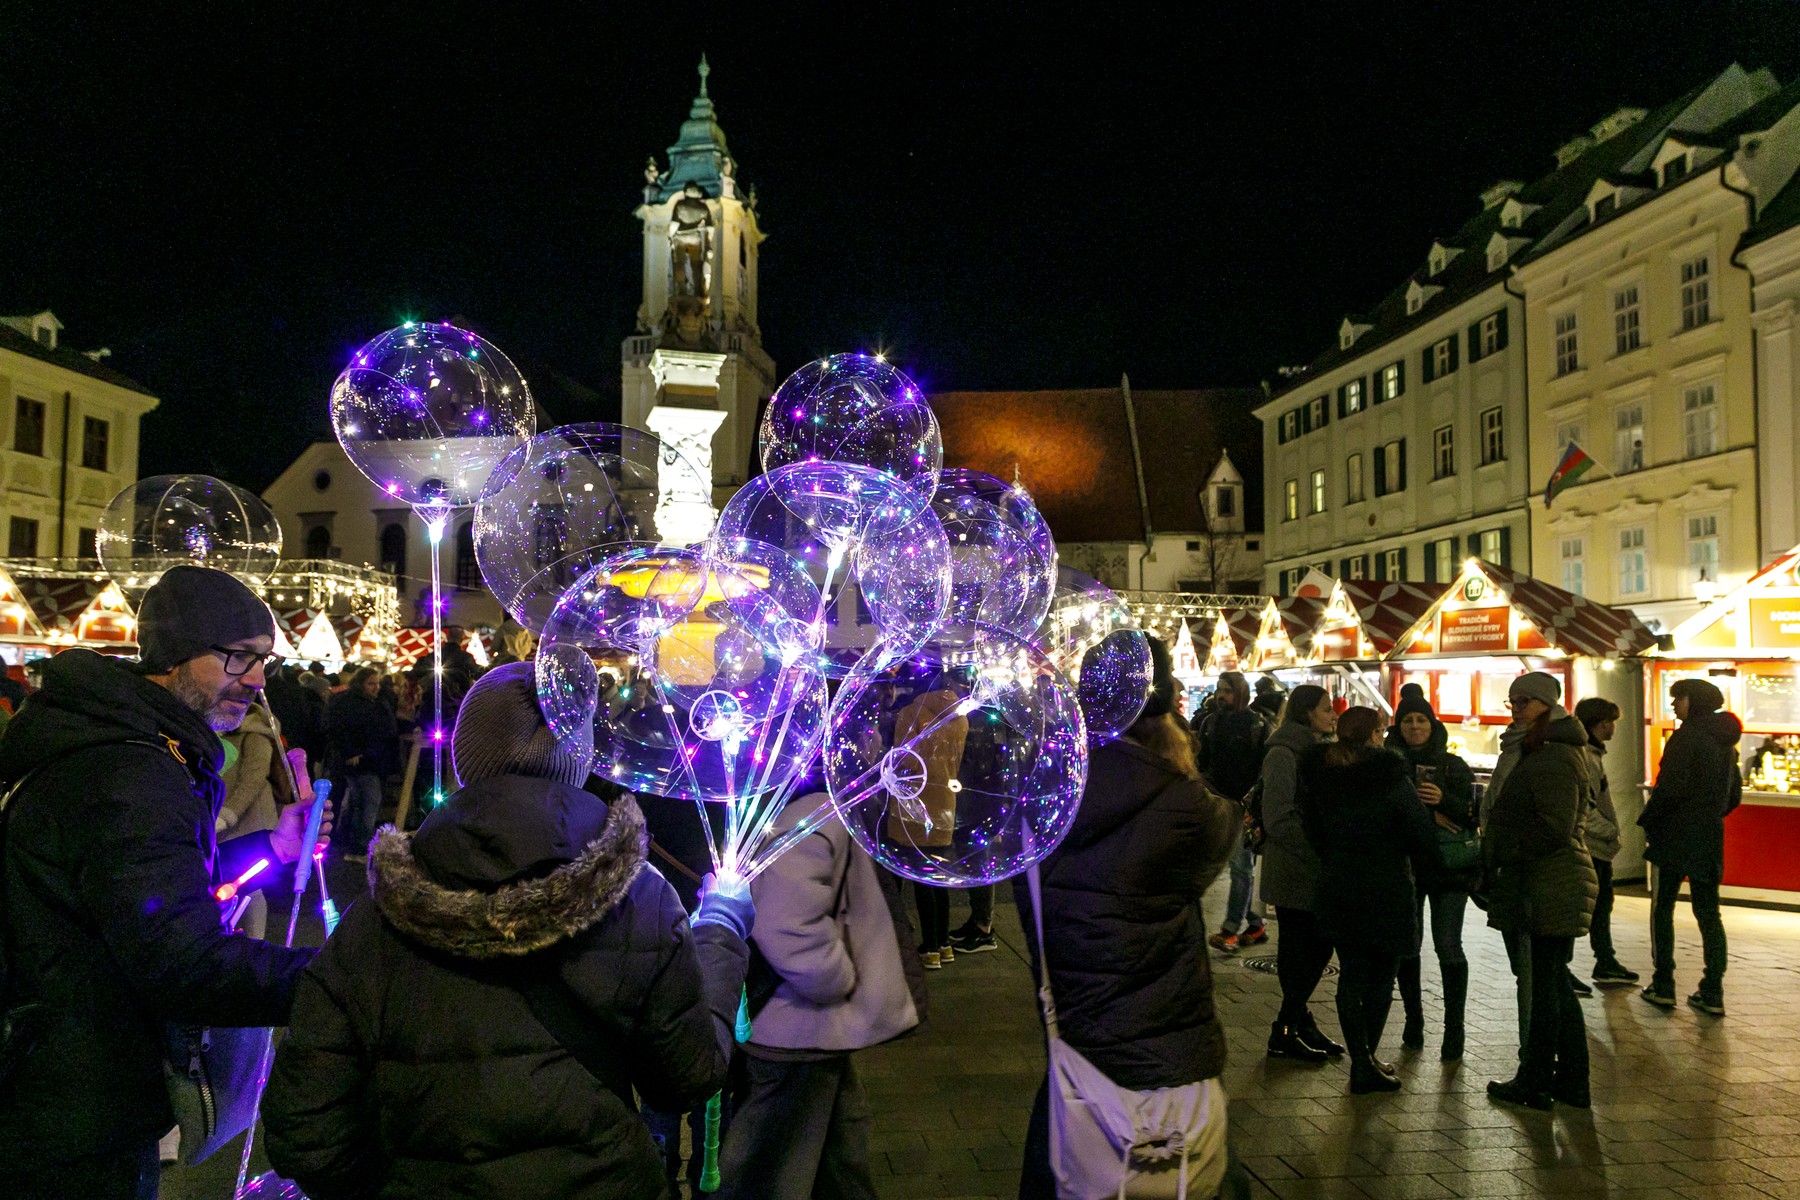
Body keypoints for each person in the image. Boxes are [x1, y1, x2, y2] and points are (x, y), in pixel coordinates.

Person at [263, 661, 753, 1198]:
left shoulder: (378, 914)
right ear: (577, 757)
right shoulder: (641, 895)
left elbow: (306, 1127)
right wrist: (722, 928)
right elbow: (686, 1076)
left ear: (465, 755)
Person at [0, 566, 326, 1200]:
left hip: (65, 1086)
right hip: (71, 1110)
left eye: (264, 662)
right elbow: (180, 959)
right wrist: (337, 980)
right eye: (237, 658)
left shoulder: (135, 745)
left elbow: (139, 887)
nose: (256, 681)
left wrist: (272, 847)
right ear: (176, 654)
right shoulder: (130, 768)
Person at [1013, 636, 1243, 1197]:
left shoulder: (1039, 800)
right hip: (1169, 1047)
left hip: (1078, 1036)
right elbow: (1229, 824)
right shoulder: (1186, 804)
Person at [715, 795, 923, 1199]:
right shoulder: (810, 811)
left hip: (812, 1031)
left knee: (837, 1154)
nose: (873, 741)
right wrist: (837, 977)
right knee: (768, 1170)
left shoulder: (814, 806)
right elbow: (788, 924)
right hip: (796, 1028)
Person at [1300, 706, 1438, 1093]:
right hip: (1385, 888)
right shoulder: (1390, 778)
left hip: (1338, 884)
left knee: (1352, 975)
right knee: (1381, 978)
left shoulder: (1321, 777)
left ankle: (1363, 1059)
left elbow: (1311, 827)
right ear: (1375, 735)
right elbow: (1419, 835)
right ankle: (1365, 1061)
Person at [1483, 672, 1596, 1111]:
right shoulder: (1533, 748)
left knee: (1545, 987)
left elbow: (1554, 827)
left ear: (1548, 705)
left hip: (1549, 882)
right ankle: (1569, 1082)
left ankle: (1536, 1082)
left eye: (1525, 701)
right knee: (1551, 985)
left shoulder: (1552, 755)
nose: (1516, 708)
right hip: (1540, 881)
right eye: (1512, 700)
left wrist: (1504, 850)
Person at [1638, 677, 1742, 1015]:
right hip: (1708, 837)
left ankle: (1663, 983)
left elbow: (1669, 788)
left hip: (1674, 836)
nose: (1673, 705)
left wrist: (1649, 822)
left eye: (1677, 698)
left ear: (1692, 701)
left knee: (1663, 908)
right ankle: (1713, 990)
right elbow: (1733, 795)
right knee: (1709, 915)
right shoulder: (1727, 743)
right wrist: (1709, 815)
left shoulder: (1685, 739)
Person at [1386, 684, 1479, 1059]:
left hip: (1447, 869)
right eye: (1407, 720)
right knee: (1409, 945)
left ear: (1432, 723)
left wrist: (1445, 801)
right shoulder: (1388, 765)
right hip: (1406, 867)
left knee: (1448, 945)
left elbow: (1473, 814)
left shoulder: (1452, 765)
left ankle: (1454, 1029)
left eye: (1420, 719)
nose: (1414, 726)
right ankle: (1414, 1019)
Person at [1259, 683, 1344, 1063]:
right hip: (1294, 867)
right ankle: (1285, 1030)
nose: (1332, 715)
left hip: (1312, 867)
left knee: (1317, 945)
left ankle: (1297, 1022)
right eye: (1327, 708)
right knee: (1301, 950)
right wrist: (1317, 847)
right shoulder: (1282, 752)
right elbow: (1277, 816)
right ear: (1307, 712)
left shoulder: (1315, 751)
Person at [1195, 670, 1271, 951]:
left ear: (1239, 693)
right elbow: (1203, 761)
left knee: (1241, 869)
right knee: (1236, 867)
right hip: (1218, 803)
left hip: (1244, 807)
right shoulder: (1210, 723)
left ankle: (1230, 929)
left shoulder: (1257, 725)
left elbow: (1263, 769)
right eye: (1219, 690)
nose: (1221, 695)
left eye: (1226, 690)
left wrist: (1254, 803)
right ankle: (1255, 922)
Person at [218, 696, 297, 939]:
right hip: (223, 820)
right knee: (227, 882)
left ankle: (255, 942)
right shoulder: (212, 730)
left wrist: (228, 815)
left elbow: (254, 776)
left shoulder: (255, 731)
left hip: (251, 821)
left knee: (251, 888)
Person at [1574, 697, 1637, 986]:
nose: (1613, 728)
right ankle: (1602, 960)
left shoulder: (1592, 755)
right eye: (1609, 722)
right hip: (1592, 846)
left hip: (1596, 846)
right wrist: (1610, 831)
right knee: (1589, 906)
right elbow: (1585, 806)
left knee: (1599, 905)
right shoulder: (1587, 758)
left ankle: (1605, 959)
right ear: (1599, 725)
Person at [327, 665, 397, 860]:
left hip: (372, 758)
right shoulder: (350, 703)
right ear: (361, 684)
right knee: (368, 803)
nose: (375, 687)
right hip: (362, 761)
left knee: (357, 803)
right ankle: (359, 848)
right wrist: (352, 752)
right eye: (371, 684)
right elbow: (338, 729)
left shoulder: (375, 702)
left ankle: (348, 843)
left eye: (377, 684)